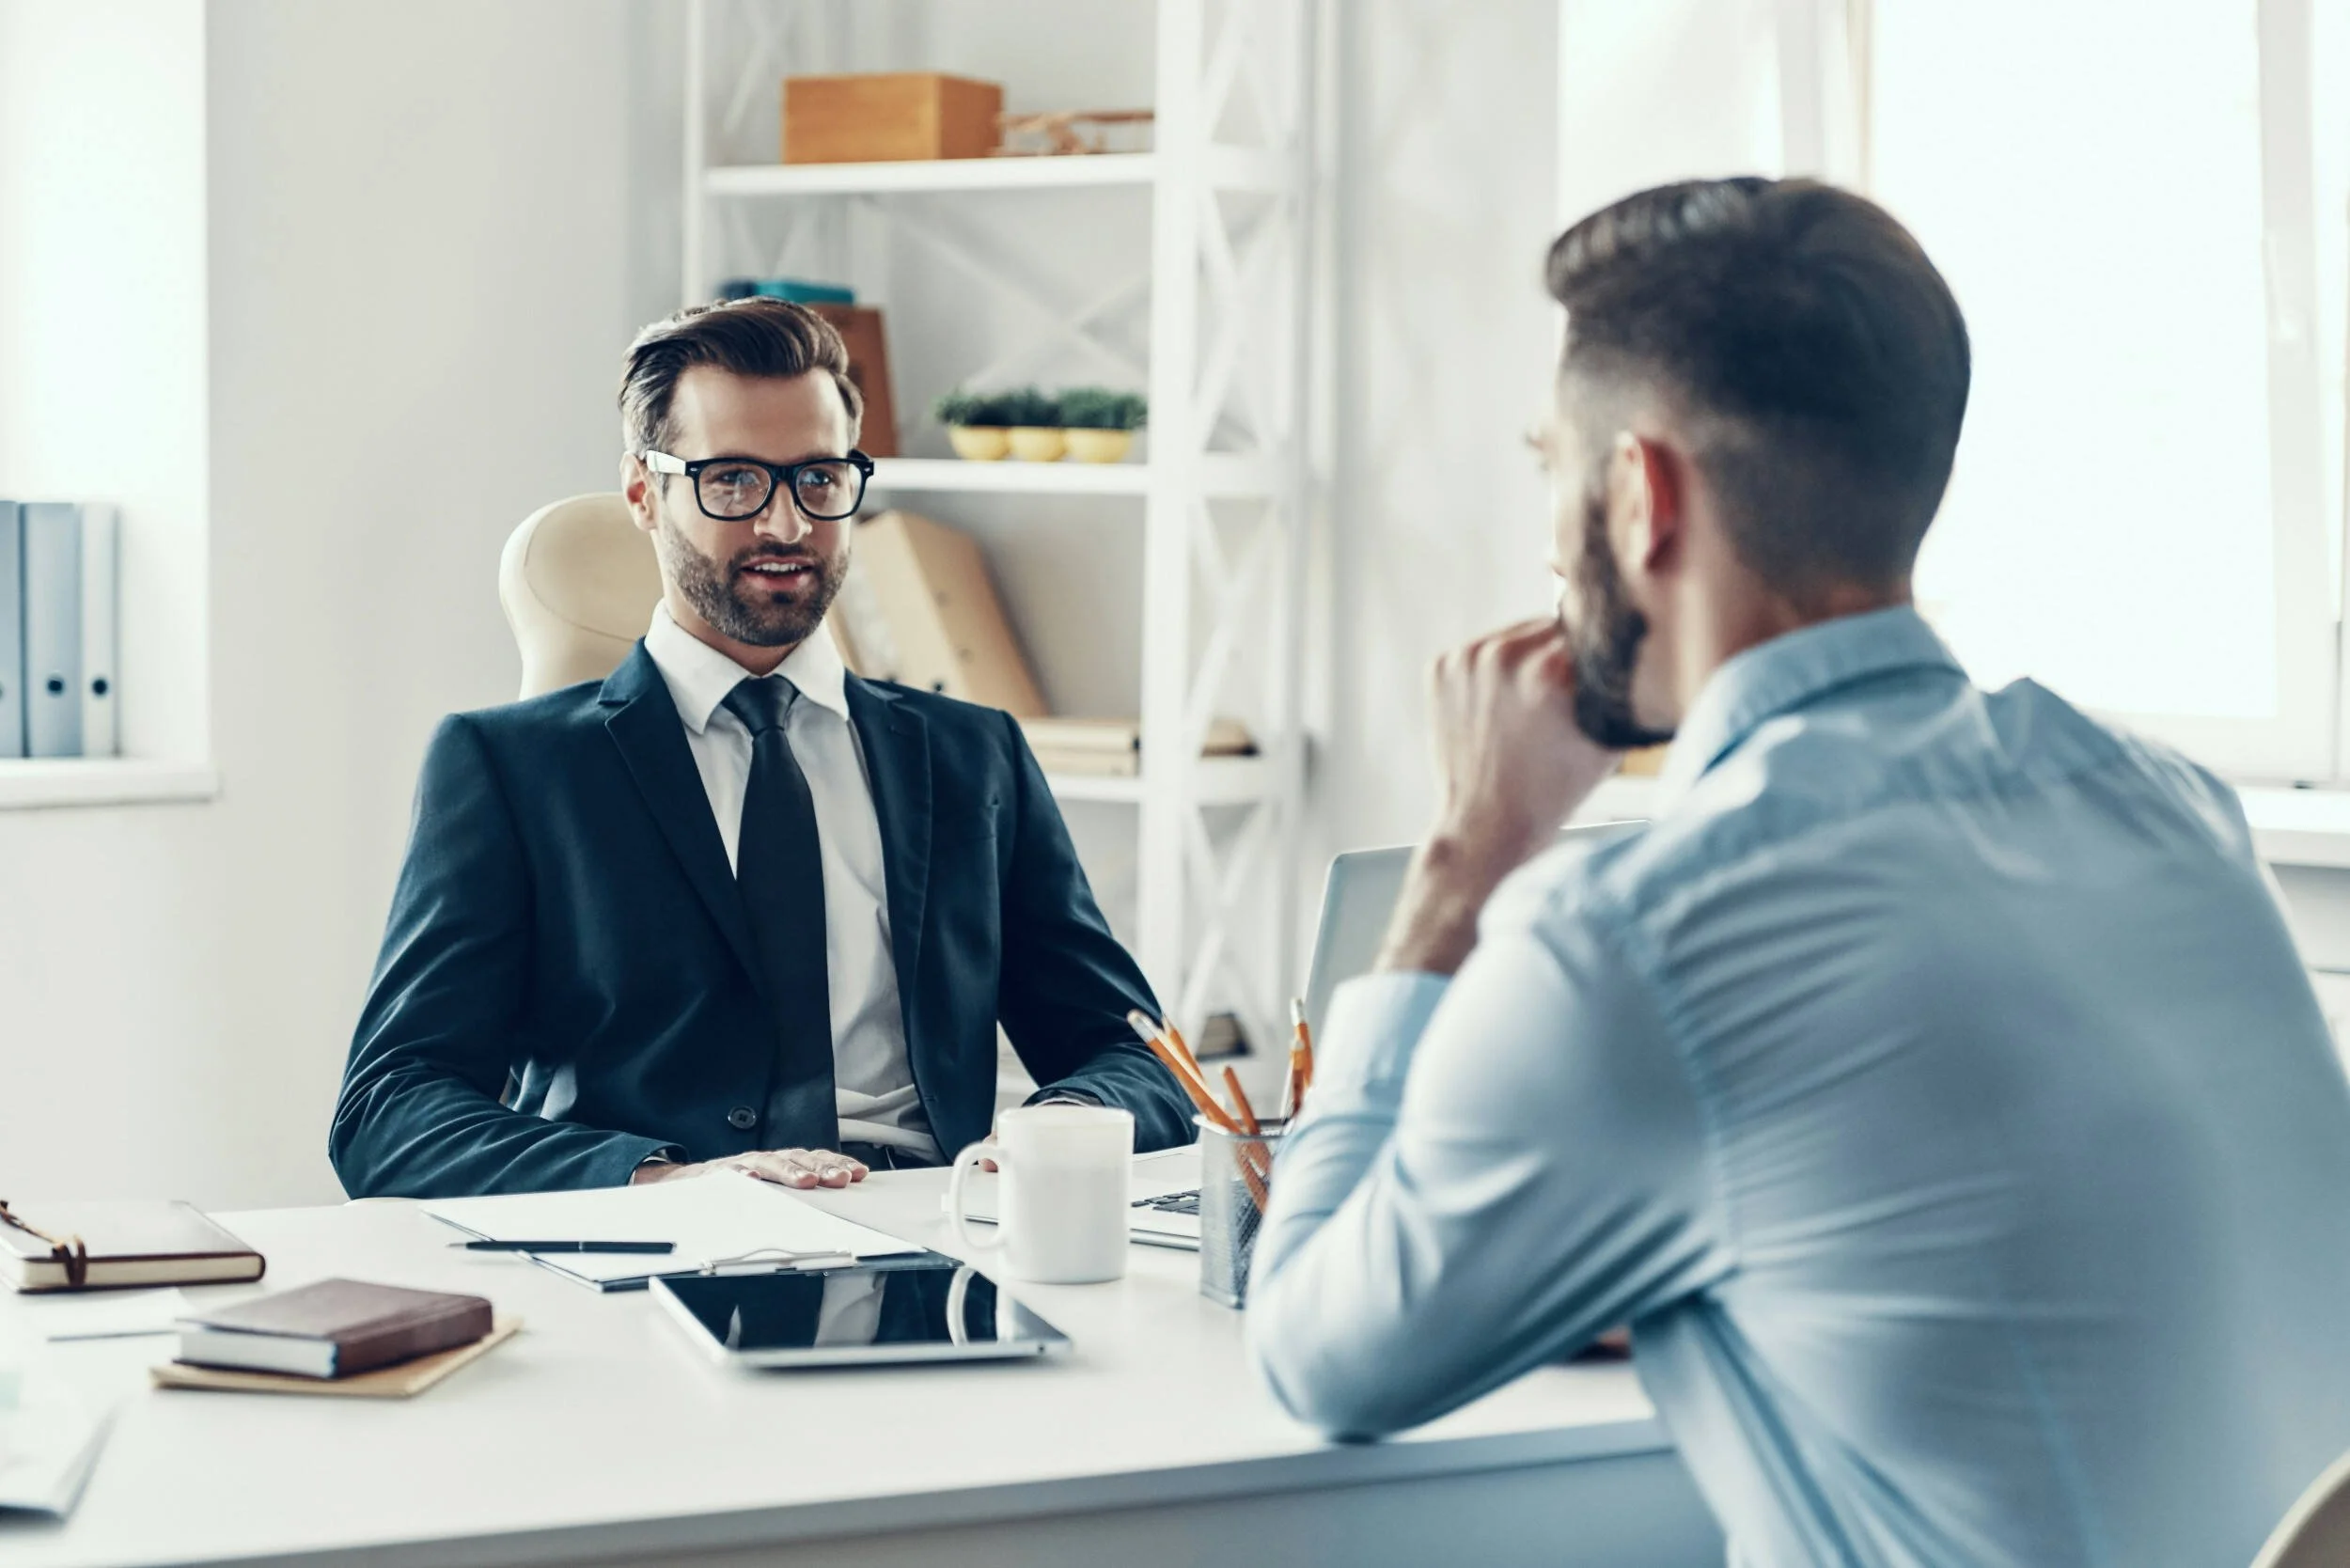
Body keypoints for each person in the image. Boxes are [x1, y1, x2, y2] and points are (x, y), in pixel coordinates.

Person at [1246, 177, 2350, 1566]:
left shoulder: (1631, 939)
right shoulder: (2169, 809)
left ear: (1640, 495)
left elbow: (1316, 1357)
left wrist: (1464, 864)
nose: (1544, 531)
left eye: (1550, 465)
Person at [332, 298, 1190, 1199]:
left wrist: (1058, 1128)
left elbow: (1137, 1054)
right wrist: (669, 1181)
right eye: (733, 480)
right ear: (642, 492)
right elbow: (390, 1109)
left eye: (819, 478)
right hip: (659, 1242)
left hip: (932, 1237)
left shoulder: (972, 756)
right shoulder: (509, 769)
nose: (786, 526)